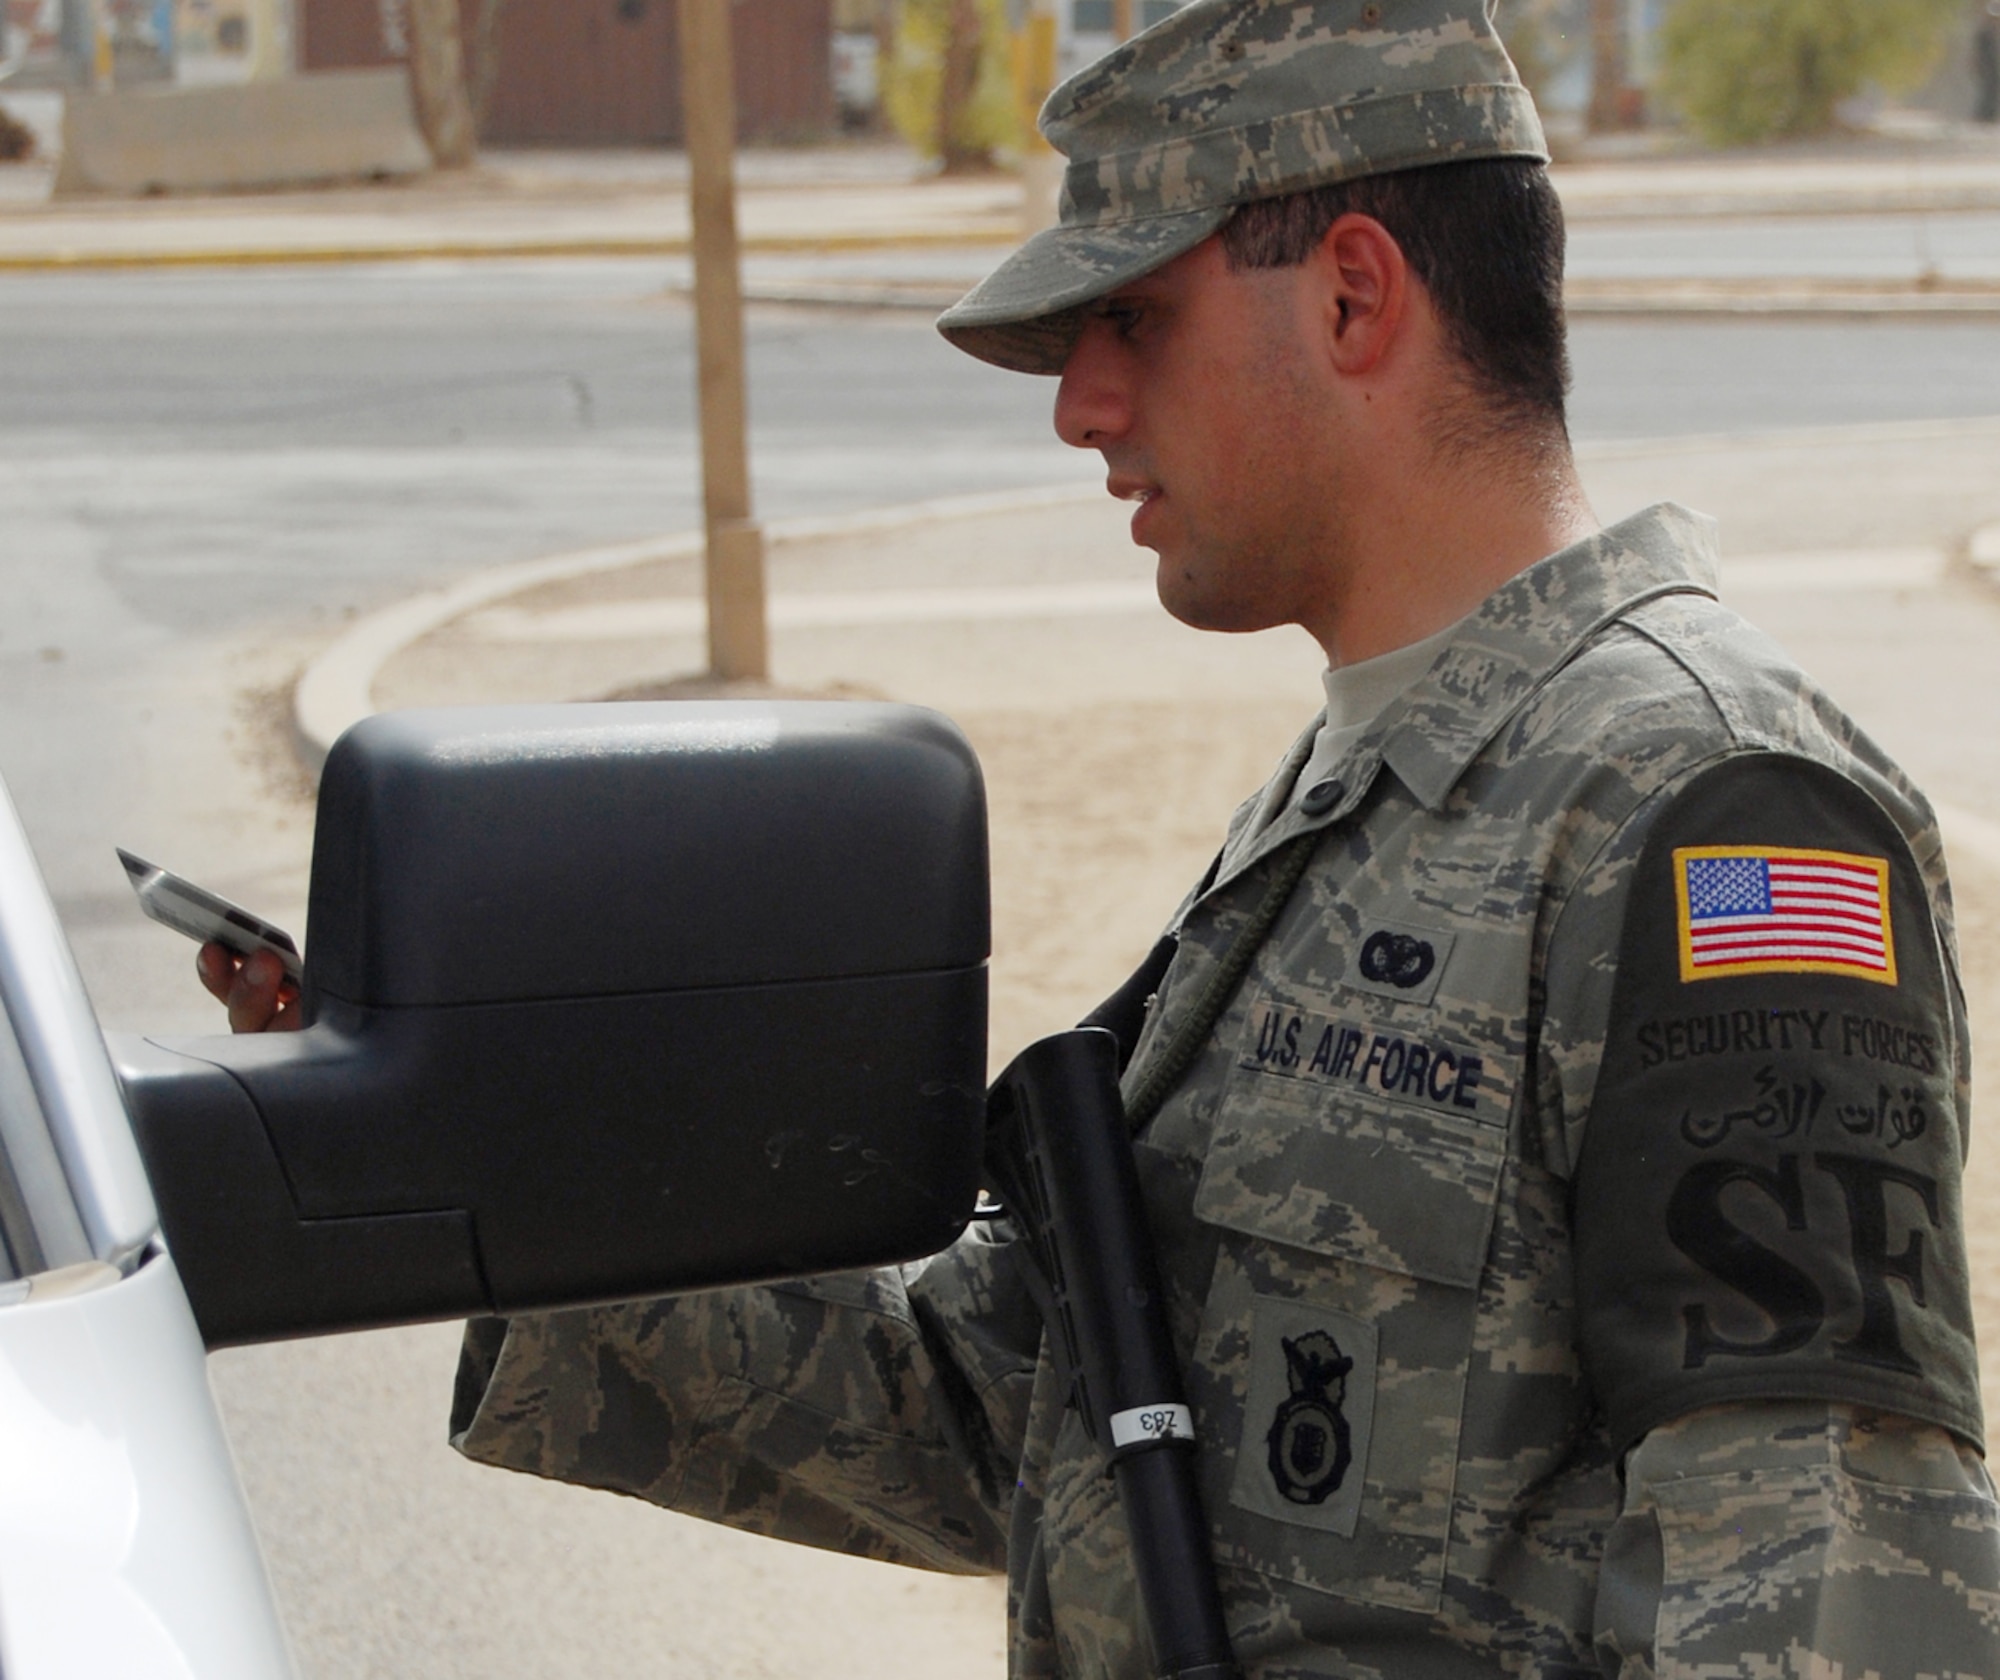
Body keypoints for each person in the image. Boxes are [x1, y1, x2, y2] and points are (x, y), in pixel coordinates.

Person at [205, 1, 2000, 1673]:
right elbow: (1029, 1409)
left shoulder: (1712, 812)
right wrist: (476, 1138)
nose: (1077, 406)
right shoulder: (1351, 804)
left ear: (1356, 297)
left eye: (1129, 320)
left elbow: (1828, 1575)